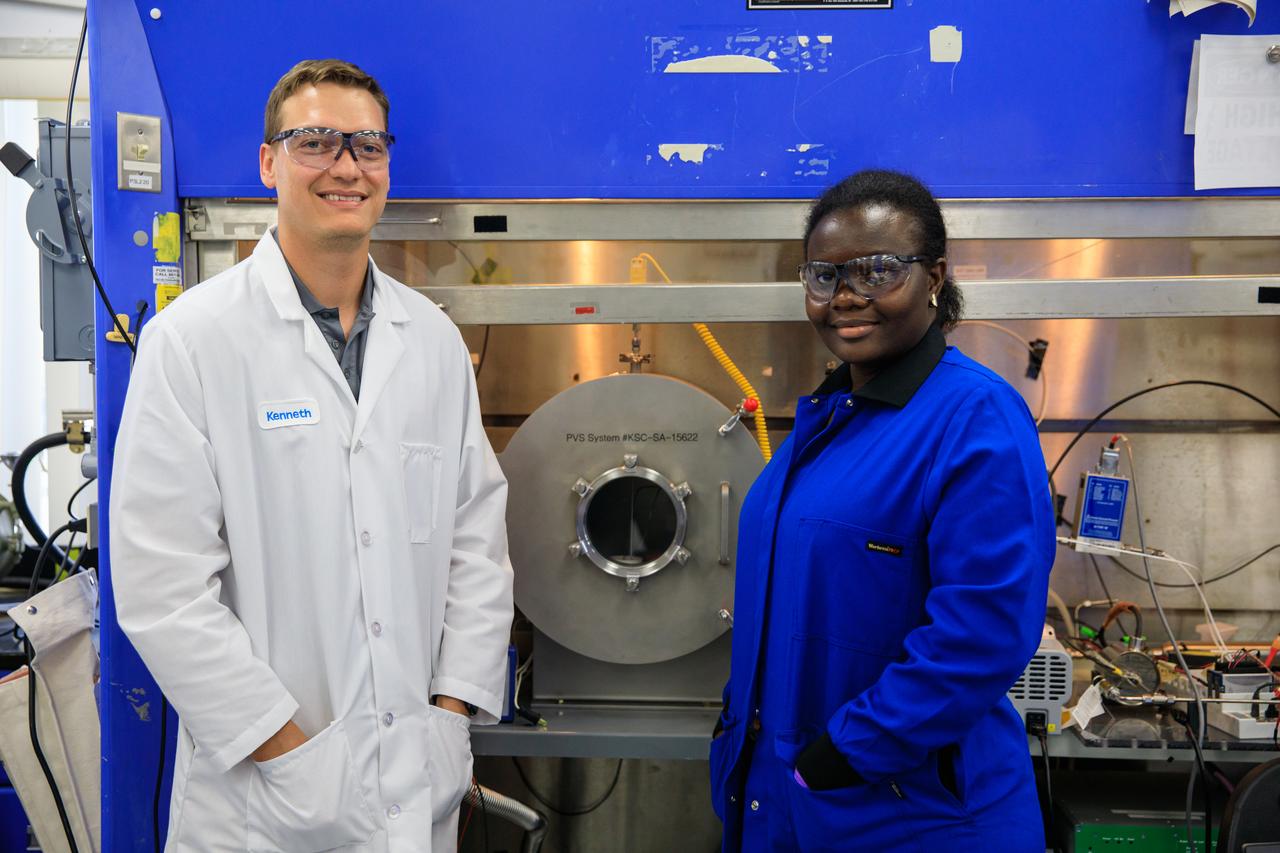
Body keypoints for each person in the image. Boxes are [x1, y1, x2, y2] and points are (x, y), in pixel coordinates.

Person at [110, 59, 513, 852]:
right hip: (263, 802)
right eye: (316, 141)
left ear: (387, 168)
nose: (345, 166)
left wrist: (451, 709)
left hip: (414, 784)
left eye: (366, 145)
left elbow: (476, 540)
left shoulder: (430, 340)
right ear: (269, 163)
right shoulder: (193, 341)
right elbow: (163, 588)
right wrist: (290, 753)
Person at [710, 170, 1055, 852]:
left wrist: (844, 753)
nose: (845, 297)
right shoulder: (832, 417)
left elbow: (980, 636)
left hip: (906, 812)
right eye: (824, 275)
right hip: (783, 799)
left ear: (934, 276)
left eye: (877, 271)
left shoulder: (974, 417)